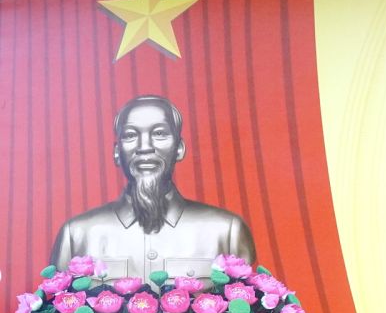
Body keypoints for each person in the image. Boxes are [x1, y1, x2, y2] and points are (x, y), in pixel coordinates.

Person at [49, 95, 256, 281]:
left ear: (179, 148)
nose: (145, 147)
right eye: (130, 135)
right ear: (117, 152)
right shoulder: (76, 235)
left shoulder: (227, 231)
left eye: (159, 133)